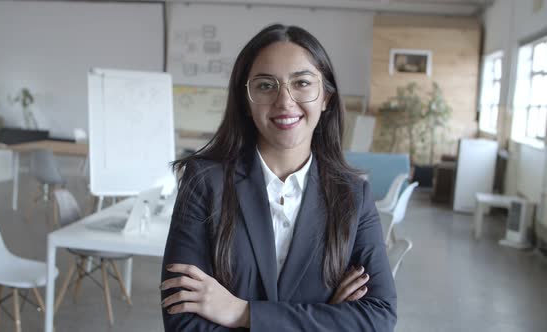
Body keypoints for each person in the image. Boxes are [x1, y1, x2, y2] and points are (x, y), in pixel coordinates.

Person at [160, 23, 397, 331]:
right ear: (246, 100)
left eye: (301, 83)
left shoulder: (353, 195)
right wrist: (325, 317)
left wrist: (242, 313)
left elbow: (379, 317)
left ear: (325, 97)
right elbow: (183, 323)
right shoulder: (204, 181)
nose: (284, 101)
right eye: (265, 85)